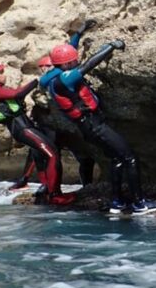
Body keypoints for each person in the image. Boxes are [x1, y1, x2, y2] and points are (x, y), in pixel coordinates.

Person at [47, 40, 156, 215]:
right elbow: (88, 65)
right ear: (65, 64)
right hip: (95, 126)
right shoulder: (64, 79)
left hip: (89, 127)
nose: (76, 62)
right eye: (73, 60)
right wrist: (110, 47)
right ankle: (140, 204)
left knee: (117, 159)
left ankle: (117, 203)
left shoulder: (55, 80)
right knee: (130, 158)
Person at [9, 20, 98, 191]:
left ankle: (83, 187)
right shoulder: (51, 78)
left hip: (65, 126)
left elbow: (68, 53)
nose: (46, 69)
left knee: (82, 158)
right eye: (43, 67)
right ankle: (46, 187)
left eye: (48, 66)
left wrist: (78, 33)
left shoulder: (58, 74)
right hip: (54, 126)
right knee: (46, 154)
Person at [0, 59, 74, 205]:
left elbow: (17, 97)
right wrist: (38, 80)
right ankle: (54, 195)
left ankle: (46, 188)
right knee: (52, 155)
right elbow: (18, 93)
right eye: (0, 72)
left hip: (24, 127)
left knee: (41, 152)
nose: (4, 75)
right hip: (22, 129)